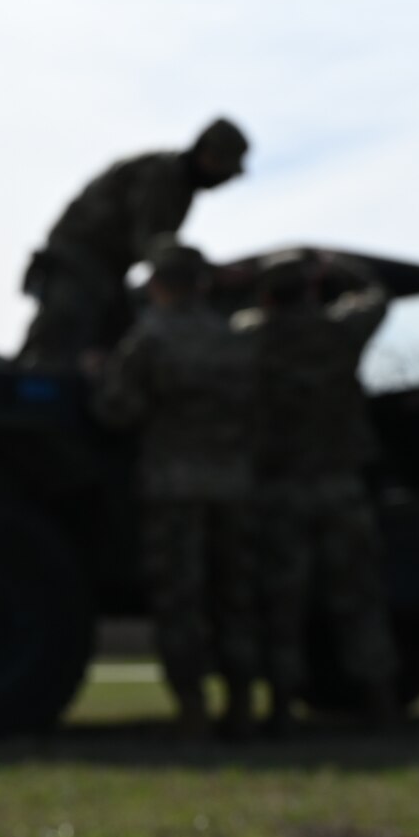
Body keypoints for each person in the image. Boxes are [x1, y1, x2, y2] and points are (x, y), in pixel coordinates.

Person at [96, 240, 259, 737]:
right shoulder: (233, 339)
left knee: (181, 602)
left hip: (174, 488)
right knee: (234, 598)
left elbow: (115, 411)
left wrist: (98, 377)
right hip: (234, 486)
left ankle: (192, 710)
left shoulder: (152, 337)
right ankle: (242, 705)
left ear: (159, 284)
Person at [237, 252, 398, 734]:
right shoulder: (340, 330)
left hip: (280, 487)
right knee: (360, 600)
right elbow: (378, 296)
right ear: (310, 290)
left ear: (265, 295)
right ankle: (381, 704)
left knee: (282, 603)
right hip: (341, 486)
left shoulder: (251, 335)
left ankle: (283, 707)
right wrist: (341, 270)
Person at [18, 118, 249, 371]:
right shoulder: (163, 175)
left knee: (118, 338)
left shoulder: (179, 184)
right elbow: (152, 244)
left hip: (107, 268)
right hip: (80, 259)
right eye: (224, 169)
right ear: (207, 154)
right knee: (59, 340)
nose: (224, 179)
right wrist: (208, 271)